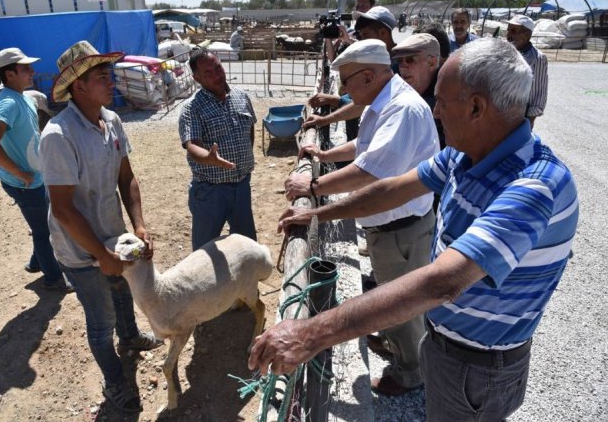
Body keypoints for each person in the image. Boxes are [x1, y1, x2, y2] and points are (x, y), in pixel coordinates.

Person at [250, 38, 579, 421]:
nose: (435, 112)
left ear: (476, 107)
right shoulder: (466, 153)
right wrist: (322, 213)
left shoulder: (532, 186)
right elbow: (395, 188)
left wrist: (310, 333)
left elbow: (442, 282)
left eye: (442, 101)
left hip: (478, 363)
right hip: (447, 342)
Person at [284, 39, 438, 396]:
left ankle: (410, 372)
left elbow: (370, 170)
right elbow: (364, 146)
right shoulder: (381, 100)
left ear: (368, 76)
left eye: (347, 82)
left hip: (401, 230)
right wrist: (324, 153)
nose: (344, 91)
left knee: (400, 305)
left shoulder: (402, 110)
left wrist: (313, 184)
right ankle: (398, 346)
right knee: (391, 298)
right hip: (393, 227)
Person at [39, 40, 160, 413]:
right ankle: (114, 382)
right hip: (79, 248)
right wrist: (100, 254)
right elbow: (63, 210)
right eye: (102, 76)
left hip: (113, 234)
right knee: (100, 318)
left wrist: (138, 225)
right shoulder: (58, 136)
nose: (111, 81)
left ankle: (132, 337)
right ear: (79, 87)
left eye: (109, 74)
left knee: (123, 292)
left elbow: (127, 178)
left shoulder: (112, 120)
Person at [0, 47, 71, 292]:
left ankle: (35, 263)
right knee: (44, 230)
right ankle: (54, 278)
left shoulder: (22, 97)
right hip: (24, 182)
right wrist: (20, 173)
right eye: (25, 69)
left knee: (42, 223)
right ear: (9, 74)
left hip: (32, 178)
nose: (32, 72)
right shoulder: (9, 102)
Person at [179, 50, 257, 251]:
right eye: (208, 73)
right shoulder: (192, 108)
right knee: (205, 252)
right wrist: (209, 157)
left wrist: (246, 156)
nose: (217, 75)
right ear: (197, 78)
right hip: (211, 191)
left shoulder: (241, 96)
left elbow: (250, 129)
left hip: (241, 186)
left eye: (218, 68)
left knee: (247, 245)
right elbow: (192, 146)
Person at [303, 6, 400, 133]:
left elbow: (368, 103)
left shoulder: (400, 65)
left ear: (383, 33)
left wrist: (331, 105)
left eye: (365, 35)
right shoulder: (377, 59)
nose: (362, 41)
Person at [391, 33, 446, 149]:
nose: (403, 67)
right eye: (400, 61)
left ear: (432, 62)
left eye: (410, 60)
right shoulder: (401, 90)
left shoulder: (448, 98)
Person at [507, 14, 548, 128]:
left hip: (520, 115)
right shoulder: (505, 53)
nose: (509, 35)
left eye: (514, 31)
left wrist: (528, 123)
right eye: (508, 30)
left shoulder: (537, 58)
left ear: (527, 34)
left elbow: (539, 93)